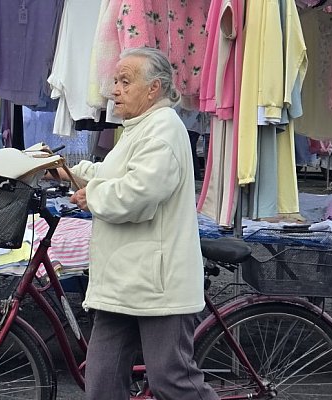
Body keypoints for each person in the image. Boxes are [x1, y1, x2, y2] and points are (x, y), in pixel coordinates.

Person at [63, 47, 217, 400]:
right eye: (115, 80)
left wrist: (93, 196)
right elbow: (113, 173)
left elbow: (138, 194)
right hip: (125, 281)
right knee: (101, 383)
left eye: (125, 81)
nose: (114, 89)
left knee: (172, 381)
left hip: (157, 285)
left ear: (154, 88)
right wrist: (71, 172)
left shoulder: (163, 129)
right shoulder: (139, 128)